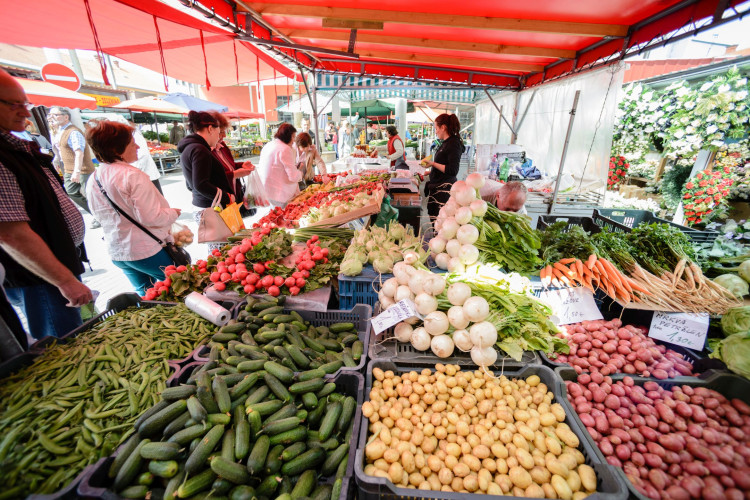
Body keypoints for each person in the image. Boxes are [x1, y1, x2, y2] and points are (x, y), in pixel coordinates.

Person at [0, 69, 93, 340]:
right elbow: (11, 234)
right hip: (39, 278)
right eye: (13, 104)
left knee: (69, 338)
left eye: (24, 104)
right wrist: (63, 280)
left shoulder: (14, 147)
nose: (26, 113)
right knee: (62, 347)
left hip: (51, 271)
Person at [85, 121, 181, 295]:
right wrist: (173, 213)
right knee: (181, 287)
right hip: (145, 250)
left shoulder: (94, 178)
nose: (137, 146)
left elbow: (97, 214)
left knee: (147, 295)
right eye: (131, 143)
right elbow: (151, 218)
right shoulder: (132, 176)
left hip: (118, 252)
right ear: (116, 149)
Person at [179, 111, 235, 223]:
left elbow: (190, 185)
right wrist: (226, 197)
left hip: (202, 205)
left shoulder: (190, 147)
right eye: (218, 132)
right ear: (210, 129)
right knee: (220, 239)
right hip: (211, 208)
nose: (218, 137)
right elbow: (200, 184)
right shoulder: (200, 150)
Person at [49, 106, 97, 221]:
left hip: (82, 169)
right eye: (50, 115)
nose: (52, 118)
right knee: (71, 192)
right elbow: (59, 149)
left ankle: (100, 215)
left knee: (89, 194)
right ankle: (97, 214)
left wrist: (77, 171)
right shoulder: (60, 131)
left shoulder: (73, 131)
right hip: (68, 169)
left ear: (66, 117)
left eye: (55, 115)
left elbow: (79, 152)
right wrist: (56, 159)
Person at [207, 111, 255, 215]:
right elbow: (212, 179)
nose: (224, 135)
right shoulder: (205, 151)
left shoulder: (222, 145)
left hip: (232, 197)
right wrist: (236, 174)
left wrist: (241, 165)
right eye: (220, 132)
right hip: (218, 202)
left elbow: (229, 165)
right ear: (210, 131)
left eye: (224, 131)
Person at [423, 113, 464, 221]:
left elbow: (452, 170)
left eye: (436, 128)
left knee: (440, 222)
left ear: (443, 127)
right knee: (434, 219)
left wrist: (432, 164)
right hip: (437, 188)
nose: (435, 131)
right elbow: (443, 165)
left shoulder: (453, 143)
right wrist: (430, 172)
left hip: (444, 191)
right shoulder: (445, 142)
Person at [257, 123, 302, 207]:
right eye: (293, 137)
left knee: (276, 214)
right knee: (286, 216)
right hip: (280, 194)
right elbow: (293, 176)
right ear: (288, 136)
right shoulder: (285, 149)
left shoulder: (268, 145)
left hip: (267, 191)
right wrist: (300, 174)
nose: (294, 141)